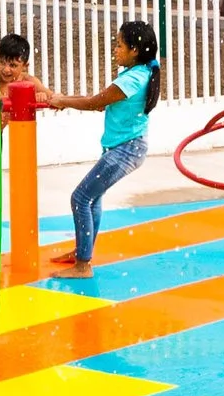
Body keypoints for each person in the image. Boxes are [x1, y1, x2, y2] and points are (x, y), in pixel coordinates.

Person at [44, 16, 161, 274]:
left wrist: (62, 100)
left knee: (80, 197)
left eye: (120, 45)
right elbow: (98, 103)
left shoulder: (132, 81)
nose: (115, 50)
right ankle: (82, 251)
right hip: (122, 147)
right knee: (92, 198)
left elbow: (93, 102)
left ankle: (83, 265)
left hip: (126, 150)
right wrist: (61, 100)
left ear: (135, 50)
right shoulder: (139, 71)